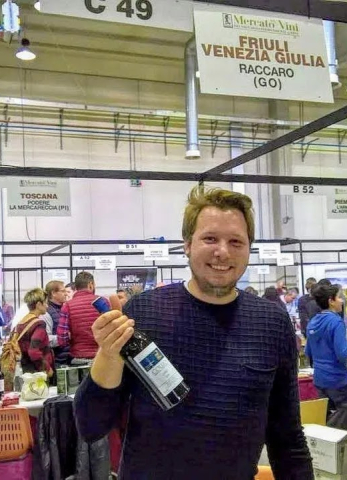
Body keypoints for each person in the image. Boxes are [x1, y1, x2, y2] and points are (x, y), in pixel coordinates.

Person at [74, 186, 313, 479]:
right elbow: (91, 425)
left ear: (249, 248)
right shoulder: (143, 312)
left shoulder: (272, 322)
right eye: (210, 238)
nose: (222, 251)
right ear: (187, 244)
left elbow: (287, 437)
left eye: (236, 241)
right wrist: (109, 354)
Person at [305, 283, 347, 412]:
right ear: (331, 301)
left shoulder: (312, 322)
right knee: (346, 418)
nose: (342, 301)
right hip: (337, 380)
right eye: (339, 297)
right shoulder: (336, 322)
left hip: (320, 380)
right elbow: (343, 355)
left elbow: (308, 352)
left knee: (328, 418)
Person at [58, 272, 109, 364]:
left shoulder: (67, 306)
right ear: (90, 284)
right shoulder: (103, 302)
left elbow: (62, 339)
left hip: (78, 358)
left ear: (76, 287)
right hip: (102, 357)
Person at [13, 288, 54, 379]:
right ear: (39, 304)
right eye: (45, 303)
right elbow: (33, 351)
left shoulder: (22, 322)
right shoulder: (39, 324)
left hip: (25, 369)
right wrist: (47, 369)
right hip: (38, 372)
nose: (47, 306)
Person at [44, 281, 69, 366]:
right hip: (57, 361)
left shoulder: (65, 309)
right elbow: (46, 339)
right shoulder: (46, 313)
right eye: (63, 291)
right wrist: (65, 337)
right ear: (53, 293)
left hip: (68, 359)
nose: (66, 294)